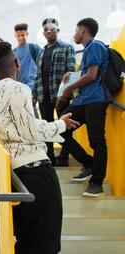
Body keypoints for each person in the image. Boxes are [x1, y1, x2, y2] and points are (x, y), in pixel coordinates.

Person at [0, 42, 79, 254]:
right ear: (16, 63)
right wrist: (60, 124)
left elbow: (15, 128)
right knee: (48, 247)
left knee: (23, 244)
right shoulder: (19, 88)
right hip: (38, 173)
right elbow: (29, 130)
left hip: (13, 177)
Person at [58, 18, 111, 197]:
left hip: (95, 100)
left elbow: (92, 75)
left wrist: (68, 89)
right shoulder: (88, 49)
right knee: (58, 130)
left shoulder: (95, 46)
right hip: (82, 100)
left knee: (97, 141)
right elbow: (87, 73)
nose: (74, 33)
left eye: (75, 29)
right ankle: (89, 163)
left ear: (82, 30)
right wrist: (72, 75)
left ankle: (97, 183)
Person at [33, 18, 76, 166]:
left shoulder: (67, 48)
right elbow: (37, 75)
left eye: (52, 29)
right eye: (46, 29)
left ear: (58, 30)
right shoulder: (41, 51)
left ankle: (64, 158)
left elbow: (70, 73)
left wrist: (64, 94)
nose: (49, 31)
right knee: (46, 127)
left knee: (65, 127)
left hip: (60, 96)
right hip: (43, 95)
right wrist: (34, 95)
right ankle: (49, 157)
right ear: (43, 32)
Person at [14, 23, 41, 93]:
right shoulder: (13, 52)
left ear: (27, 34)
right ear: (15, 36)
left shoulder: (34, 48)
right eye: (18, 36)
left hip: (32, 86)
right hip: (18, 87)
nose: (20, 38)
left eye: (23, 35)